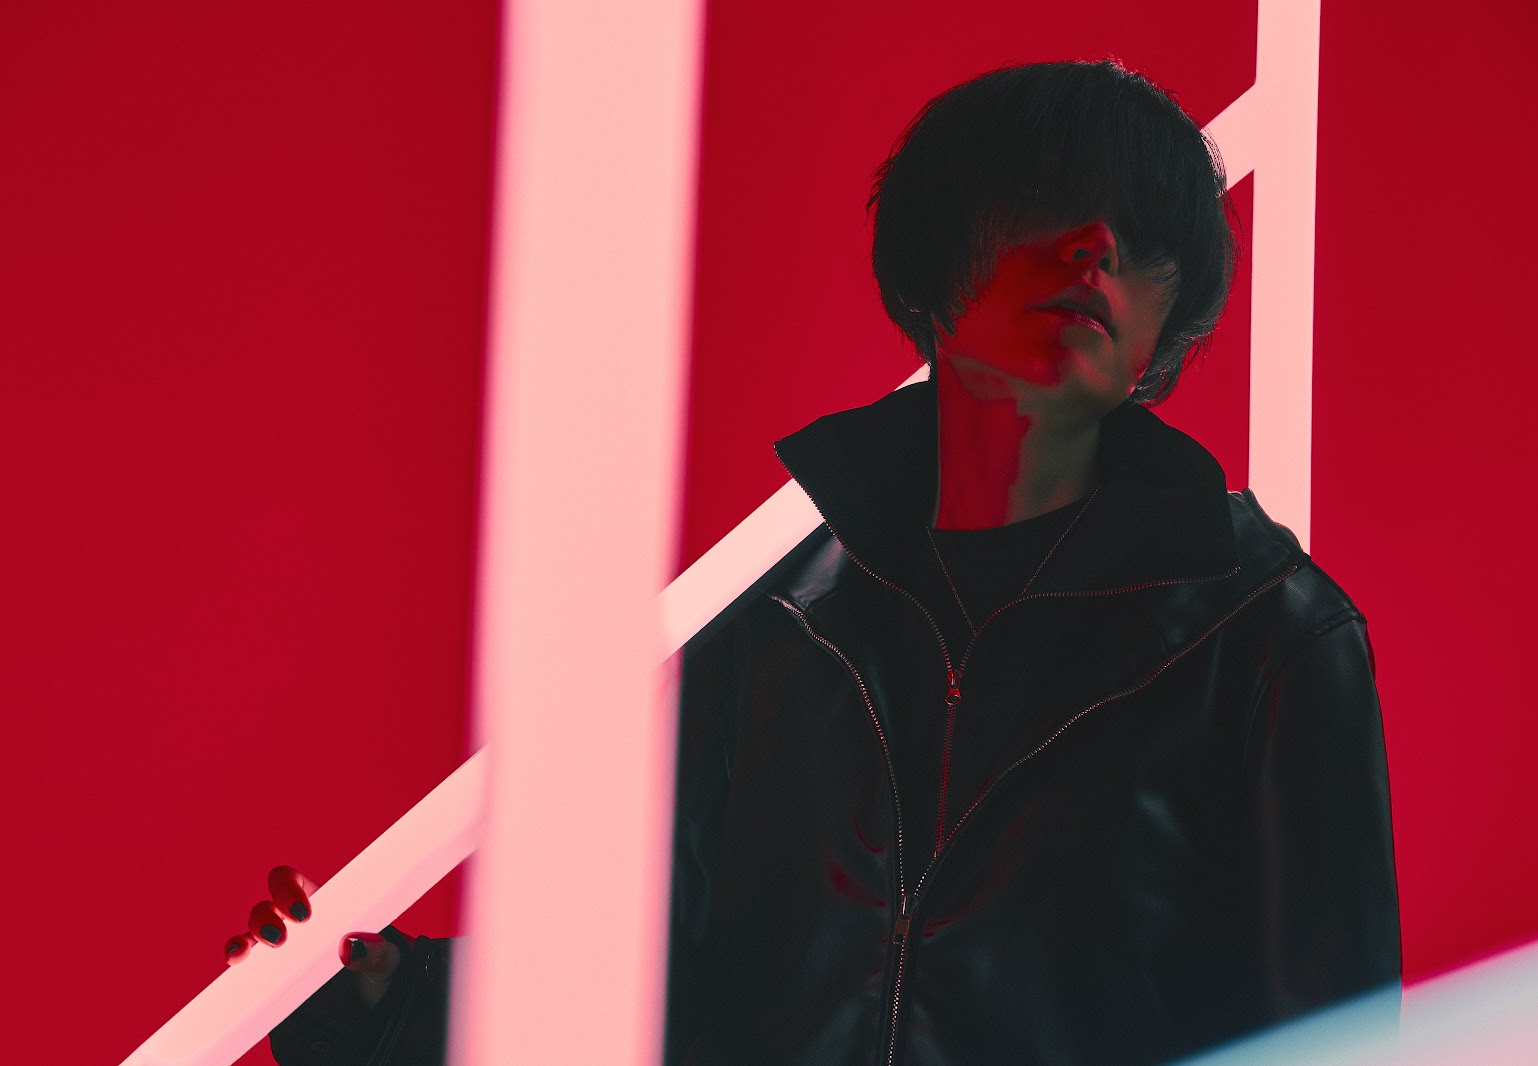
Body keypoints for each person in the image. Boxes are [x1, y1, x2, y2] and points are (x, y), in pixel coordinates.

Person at [241, 58, 1401, 1066]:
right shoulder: (770, 616)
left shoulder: (1266, 632)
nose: (1097, 248)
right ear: (940, 253)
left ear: (1164, 324)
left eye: (1143, 242)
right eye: (1052, 205)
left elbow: (1328, 1041)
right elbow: (650, 988)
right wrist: (383, 1002)